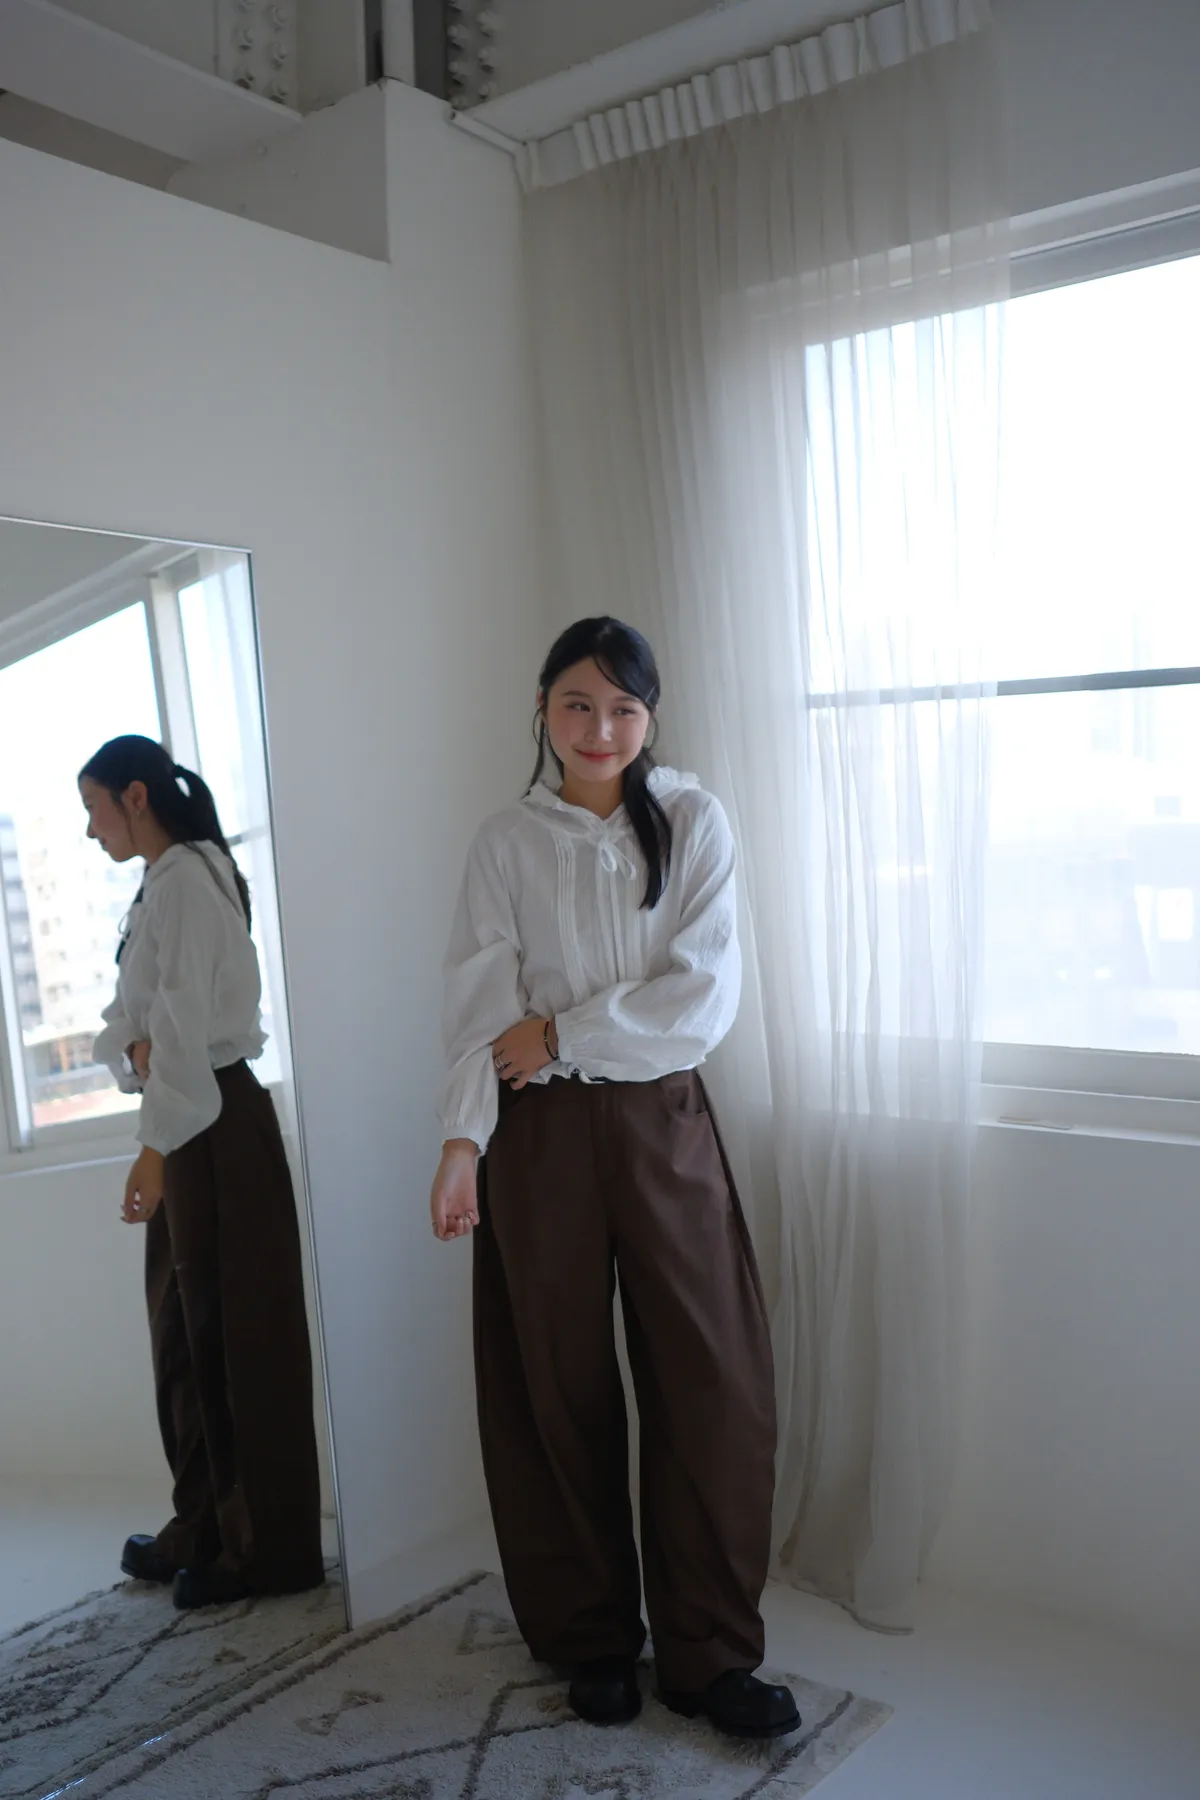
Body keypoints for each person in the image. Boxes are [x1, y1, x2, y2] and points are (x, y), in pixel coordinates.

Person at [430, 618, 799, 1740]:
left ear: (651, 715)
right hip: (535, 1133)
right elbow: (478, 1012)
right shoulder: (505, 842)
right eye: (578, 704)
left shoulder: (694, 820)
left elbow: (703, 997)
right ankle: (590, 1638)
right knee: (554, 1384)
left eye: (624, 708)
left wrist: (563, 1032)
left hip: (662, 1122)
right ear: (544, 708)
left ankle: (710, 1655)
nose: (601, 729)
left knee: (713, 1382)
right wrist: (461, 1143)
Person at [82, 735, 324, 1610]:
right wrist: (140, 1056)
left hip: (215, 1119)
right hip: (190, 1119)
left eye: (94, 810)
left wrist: (153, 1141)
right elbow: (128, 1024)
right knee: (184, 1331)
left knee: (237, 1334)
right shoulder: (161, 886)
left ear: (135, 797)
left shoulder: (188, 878)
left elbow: (179, 1027)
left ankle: (264, 1549)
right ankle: (208, 1526)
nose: (91, 831)